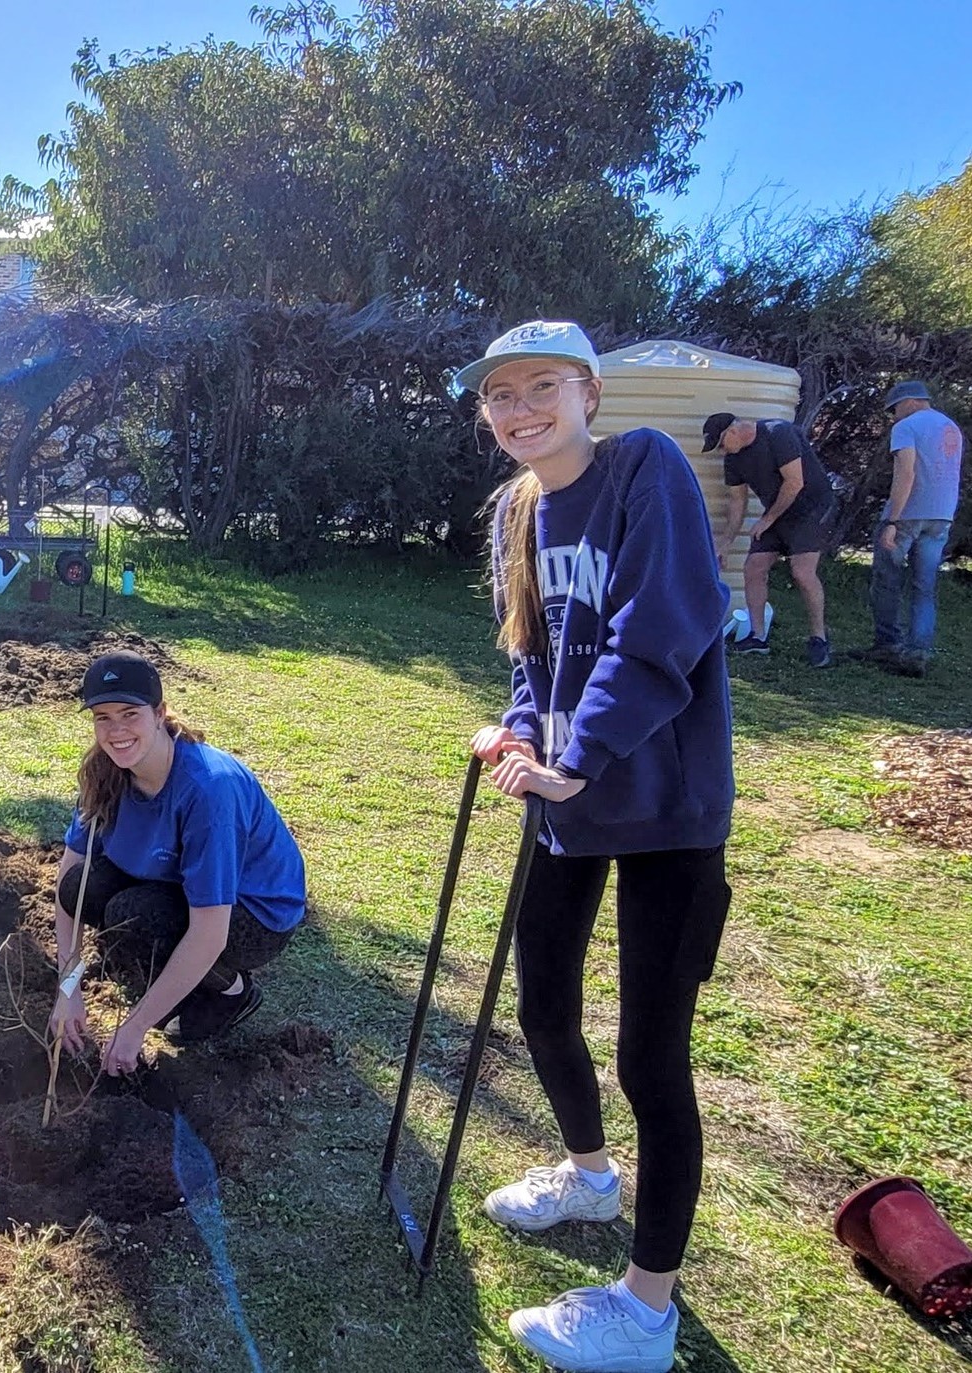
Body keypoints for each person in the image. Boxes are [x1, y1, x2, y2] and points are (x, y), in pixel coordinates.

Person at [457, 321, 735, 1373]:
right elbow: (532, 650)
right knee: (541, 1004)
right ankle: (586, 1173)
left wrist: (583, 748)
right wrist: (524, 731)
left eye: (540, 387)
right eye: (499, 395)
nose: (518, 407)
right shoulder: (517, 508)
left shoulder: (643, 469)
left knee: (649, 1056)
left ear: (587, 392)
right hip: (564, 793)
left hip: (664, 805)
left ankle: (647, 1308)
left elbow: (661, 626)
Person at [47, 651, 306, 1076]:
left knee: (133, 919)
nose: (116, 731)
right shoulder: (105, 772)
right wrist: (68, 988)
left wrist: (134, 1028)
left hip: (255, 913)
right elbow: (68, 887)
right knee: (83, 888)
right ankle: (170, 974)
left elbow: (209, 932)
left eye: (130, 713)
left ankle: (232, 989)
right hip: (175, 881)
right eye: (103, 717)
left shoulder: (208, 791)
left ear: (160, 713)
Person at [703, 411, 836, 666]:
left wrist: (768, 519)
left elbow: (794, 483)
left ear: (732, 432)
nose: (722, 451)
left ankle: (819, 638)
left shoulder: (777, 433)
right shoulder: (733, 460)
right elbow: (737, 501)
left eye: (720, 445)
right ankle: (757, 637)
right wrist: (726, 543)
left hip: (811, 508)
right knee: (753, 567)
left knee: (802, 573)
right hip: (778, 513)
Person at [850, 380, 962, 678]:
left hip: (909, 514)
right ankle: (918, 652)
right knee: (924, 586)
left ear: (908, 402)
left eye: (894, 409)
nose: (893, 416)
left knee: (887, 578)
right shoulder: (950, 427)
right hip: (942, 516)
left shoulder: (907, 427)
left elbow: (906, 474)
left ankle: (888, 644)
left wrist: (892, 521)